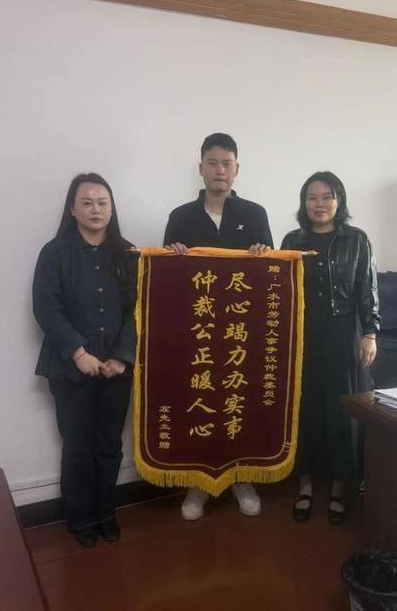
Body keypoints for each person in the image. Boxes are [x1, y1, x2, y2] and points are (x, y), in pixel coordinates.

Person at [164, 132, 273, 521]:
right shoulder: (180, 217)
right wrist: (173, 258)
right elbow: (166, 283)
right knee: (200, 405)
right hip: (198, 333)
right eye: (212, 163)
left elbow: (273, 278)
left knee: (238, 404)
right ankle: (199, 485)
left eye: (226, 163)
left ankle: (241, 479)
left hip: (241, 332)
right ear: (201, 168)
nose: (220, 170)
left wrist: (263, 255)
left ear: (236, 169)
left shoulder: (255, 214)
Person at [33, 173, 137, 547]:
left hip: (117, 368)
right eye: (87, 202)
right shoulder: (54, 253)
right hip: (69, 367)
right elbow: (46, 308)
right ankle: (80, 518)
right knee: (77, 446)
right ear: (72, 209)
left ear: (112, 208)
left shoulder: (128, 253)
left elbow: (139, 310)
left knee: (109, 444)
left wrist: (122, 357)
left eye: (103, 203)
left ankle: (106, 514)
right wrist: (79, 353)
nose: (96, 209)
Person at [281, 171, 379, 525]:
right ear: (303, 203)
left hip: (344, 332)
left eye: (327, 197)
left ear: (339, 201)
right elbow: (278, 289)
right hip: (303, 334)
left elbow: (368, 289)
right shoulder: (292, 239)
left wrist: (371, 333)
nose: (319, 204)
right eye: (312, 197)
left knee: (342, 410)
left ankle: (340, 486)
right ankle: (305, 483)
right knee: (304, 408)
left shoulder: (356, 239)